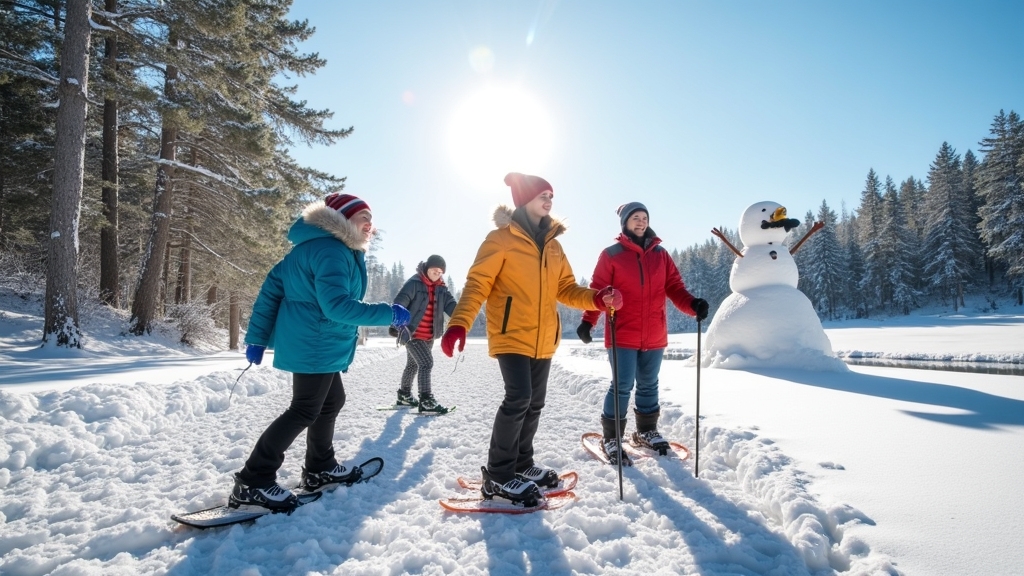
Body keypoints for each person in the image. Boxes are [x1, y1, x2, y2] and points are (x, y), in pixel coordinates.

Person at [440, 172, 623, 506]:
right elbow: (477, 284)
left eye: (552, 195)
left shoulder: (553, 245)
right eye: (543, 194)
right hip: (511, 334)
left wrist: (598, 299)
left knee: (534, 403)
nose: (549, 200)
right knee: (518, 398)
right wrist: (458, 324)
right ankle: (497, 476)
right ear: (525, 199)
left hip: (544, 338)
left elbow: (566, 288)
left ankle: (522, 464)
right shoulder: (500, 239)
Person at [231, 193, 411, 510]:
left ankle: (320, 468)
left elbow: (270, 292)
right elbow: (337, 307)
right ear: (340, 219)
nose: (370, 224)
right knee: (304, 409)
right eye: (362, 217)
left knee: (330, 401)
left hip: (316, 341)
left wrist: (257, 337)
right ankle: (253, 480)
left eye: (372, 219)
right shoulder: (331, 250)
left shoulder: (308, 249)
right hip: (315, 341)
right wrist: (389, 314)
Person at [577, 202, 709, 466]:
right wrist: (587, 322)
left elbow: (675, 287)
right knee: (622, 386)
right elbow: (598, 291)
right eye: (635, 218)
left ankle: (646, 431)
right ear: (625, 222)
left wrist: (692, 304)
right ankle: (612, 438)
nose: (640, 222)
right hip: (622, 333)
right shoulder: (611, 254)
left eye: (644, 217)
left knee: (649, 384)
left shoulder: (661, 255)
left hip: (654, 333)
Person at [391, 254, 457, 414]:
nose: (437, 274)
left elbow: (452, 305)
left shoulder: (441, 288)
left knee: (413, 364)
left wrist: (465, 314)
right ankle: (426, 400)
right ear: (427, 268)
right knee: (426, 363)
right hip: (412, 333)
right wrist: (395, 323)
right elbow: (401, 301)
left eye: (440, 272)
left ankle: (404, 396)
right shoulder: (415, 283)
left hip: (429, 335)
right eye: (435, 270)